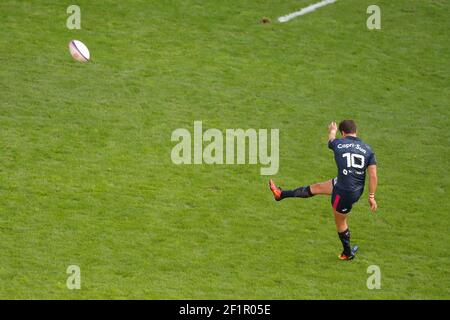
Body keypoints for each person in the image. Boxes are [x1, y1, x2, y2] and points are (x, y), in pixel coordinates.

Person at [269, 120, 378, 260]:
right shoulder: (368, 149)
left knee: (340, 222)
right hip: (351, 187)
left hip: (344, 191)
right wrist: (371, 196)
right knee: (317, 187)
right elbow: (373, 175)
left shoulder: (339, 143)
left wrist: (332, 130)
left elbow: (331, 140)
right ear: (356, 131)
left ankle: (347, 253)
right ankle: (280, 194)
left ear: (342, 133)